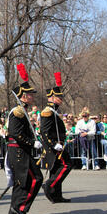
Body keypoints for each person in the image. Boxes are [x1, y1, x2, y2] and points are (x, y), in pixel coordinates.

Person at [6, 64, 43, 214]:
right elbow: (15, 133)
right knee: (35, 178)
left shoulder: (23, 111)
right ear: (23, 96)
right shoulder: (18, 112)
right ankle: (21, 209)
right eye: (30, 94)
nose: (32, 96)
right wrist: (31, 142)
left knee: (22, 181)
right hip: (19, 150)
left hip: (21, 150)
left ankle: (14, 211)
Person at [40, 72, 72, 203]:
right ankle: (49, 185)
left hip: (57, 144)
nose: (61, 99)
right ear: (52, 98)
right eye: (59, 97)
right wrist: (53, 144)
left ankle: (56, 195)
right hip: (53, 146)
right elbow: (44, 131)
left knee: (55, 169)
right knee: (67, 165)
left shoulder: (54, 111)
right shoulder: (48, 112)